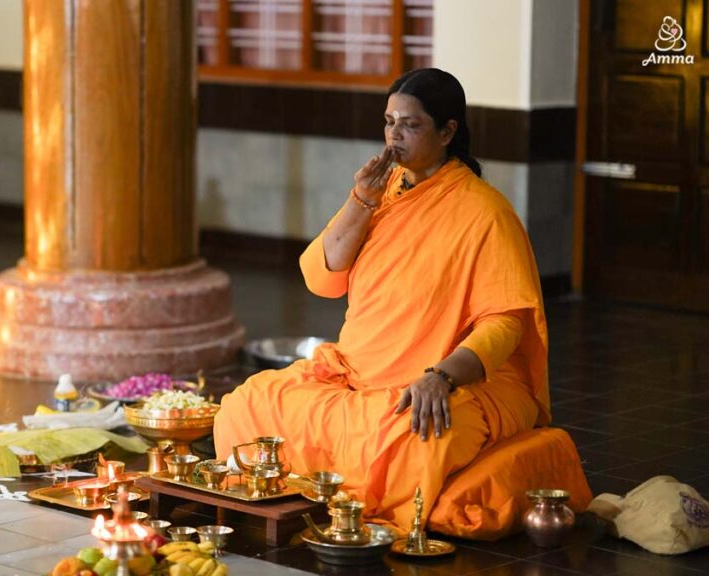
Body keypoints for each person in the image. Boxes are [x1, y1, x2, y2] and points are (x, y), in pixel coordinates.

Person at [214, 68, 576, 535]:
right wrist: (359, 201)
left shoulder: (485, 212)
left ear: (448, 132)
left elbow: (504, 324)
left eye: (410, 125)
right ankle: (332, 491)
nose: (393, 136)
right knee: (244, 407)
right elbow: (320, 278)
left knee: (418, 440)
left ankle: (348, 498)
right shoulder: (379, 195)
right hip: (357, 371)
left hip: (446, 377)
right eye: (388, 122)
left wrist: (440, 377)